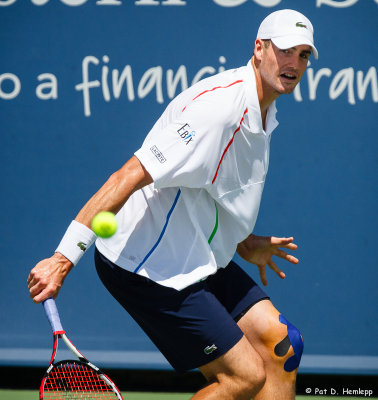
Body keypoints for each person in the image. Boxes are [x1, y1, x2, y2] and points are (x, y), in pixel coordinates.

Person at [27, 9, 318, 400]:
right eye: (285, 51)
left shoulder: (263, 106)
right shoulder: (217, 113)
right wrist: (62, 259)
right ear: (259, 49)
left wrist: (244, 242)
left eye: (303, 55)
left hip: (195, 251)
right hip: (148, 266)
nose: (294, 64)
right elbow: (126, 177)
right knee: (243, 377)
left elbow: (214, 186)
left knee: (283, 346)